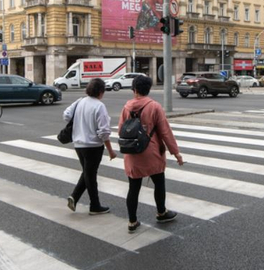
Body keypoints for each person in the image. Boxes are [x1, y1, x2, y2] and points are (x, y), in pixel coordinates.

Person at [119, 75, 184, 233]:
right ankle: (161, 212)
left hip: (133, 152)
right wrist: (176, 153)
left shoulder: (126, 107)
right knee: (159, 183)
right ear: (148, 89)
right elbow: (165, 132)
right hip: (151, 152)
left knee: (133, 188)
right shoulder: (154, 106)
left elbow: (121, 129)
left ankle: (132, 221)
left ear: (134, 89)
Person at [63, 78, 116, 215]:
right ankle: (95, 206)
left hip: (78, 145)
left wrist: (80, 123)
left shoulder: (80, 101)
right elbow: (104, 132)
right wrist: (110, 150)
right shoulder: (99, 106)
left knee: (87, 173)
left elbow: (66, 115)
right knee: (91, 175)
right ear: (100, 91)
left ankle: (74, 197)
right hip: (93, 146)